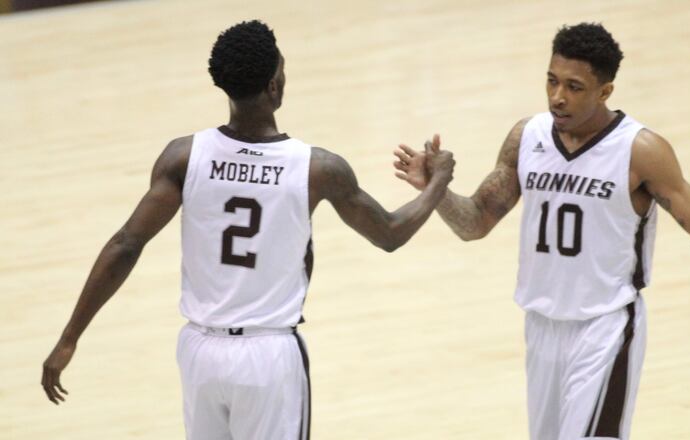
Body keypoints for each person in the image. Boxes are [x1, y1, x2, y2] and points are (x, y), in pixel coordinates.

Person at [41, 20, 454, 440]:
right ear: (275, 86)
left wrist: (70, 337)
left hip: (200, 353)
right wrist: (438, 181)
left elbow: (126, 244)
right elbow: (390, 233)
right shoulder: (317, 169)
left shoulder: (184, 158)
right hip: (269, 357)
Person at [393, 22, 690, 439]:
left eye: (574, 87)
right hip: (541, 325)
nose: (558, 97)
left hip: (604, 328)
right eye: (552, 81)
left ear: (605, 91)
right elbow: (476, 222)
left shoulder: (640, 151)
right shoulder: (527, 137)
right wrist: (436, 190)